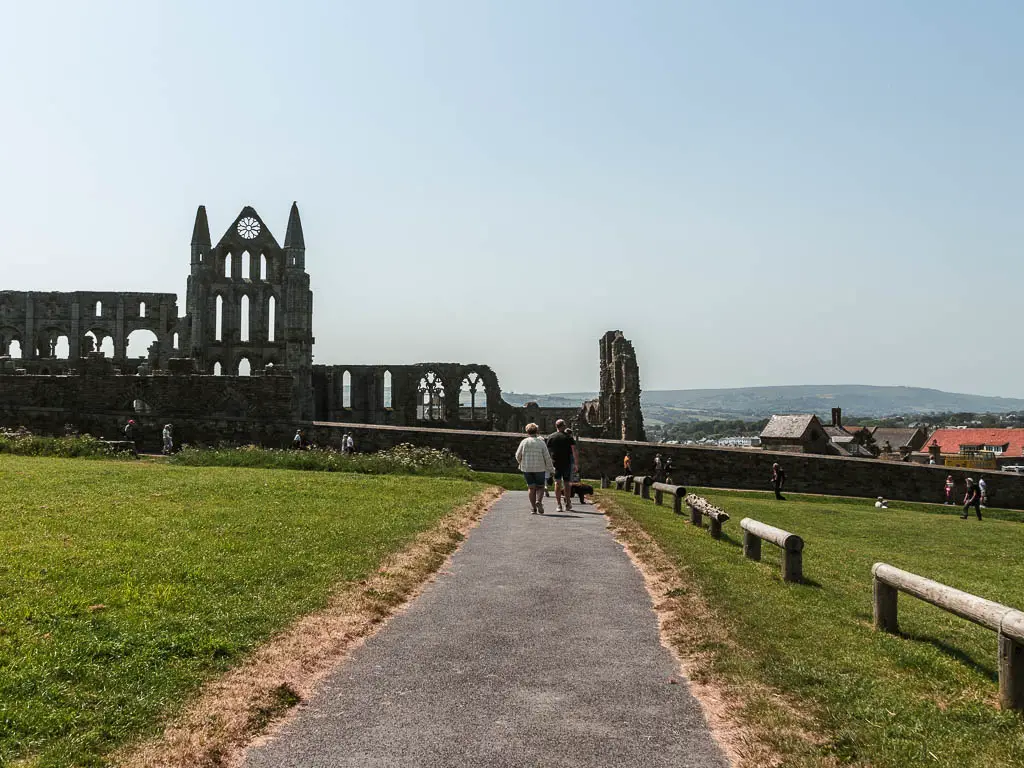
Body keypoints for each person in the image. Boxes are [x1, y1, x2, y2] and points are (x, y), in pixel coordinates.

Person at [515, 423, 555, 514]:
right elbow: (547, 457)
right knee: (540, 487)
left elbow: (518, 455)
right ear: (537, 431)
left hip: (527, 468)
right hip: (539, 468)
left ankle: (533, 508)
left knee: (531, 488)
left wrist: (521, 462)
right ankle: (539, 501)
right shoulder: (541, 442)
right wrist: (551, 469)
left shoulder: (524, 442)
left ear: (527, 431)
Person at [546, 419, 580, 512]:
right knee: (567, 483)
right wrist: (576, 464)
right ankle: (568, 503)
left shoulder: (551, 437)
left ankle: (559, 505)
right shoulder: (568, 437)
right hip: (566, 463)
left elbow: (547, 452)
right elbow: (574, 451)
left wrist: (547, 463)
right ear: (563, 426)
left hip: (555, 463)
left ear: (556, 426)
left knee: (557, 483)